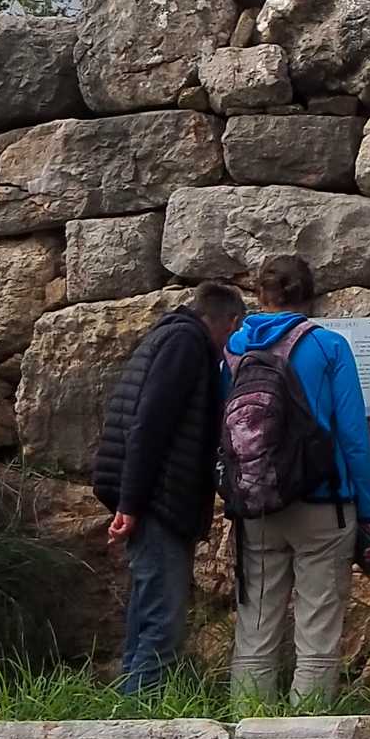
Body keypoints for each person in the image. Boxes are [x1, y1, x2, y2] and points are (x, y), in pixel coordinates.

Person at [222, 254, 370, 704]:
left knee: (255, 629)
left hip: (257, 503)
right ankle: (307, 733)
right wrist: (368, 512)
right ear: (311, 296)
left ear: (260, 294)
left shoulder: (233, 349)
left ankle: (248, 723)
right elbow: (353, 437)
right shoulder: (328, 347)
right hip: (323, 504)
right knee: (318, 630)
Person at [91, 280, 244, 691]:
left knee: (146, 616)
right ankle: (140, 716)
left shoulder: (169, 336)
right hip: (161, 501)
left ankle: (124, 712)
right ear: (231, 322)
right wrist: (131, 504)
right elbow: (149, 425)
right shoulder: (186, 346)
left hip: (153, 498)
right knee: (164, 626)